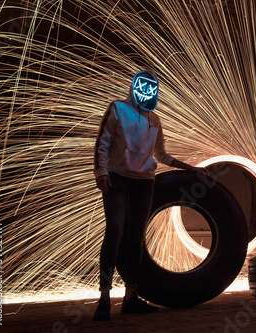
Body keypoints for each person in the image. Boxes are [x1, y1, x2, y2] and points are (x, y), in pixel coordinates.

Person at [93, 70, 207, 320]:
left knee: (135, 237)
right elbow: (103, 142)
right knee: (114, 231)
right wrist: (101, 170)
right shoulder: (117, 108)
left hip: (144, 183)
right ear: (135, 88)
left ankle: (130, 297)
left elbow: (161, 155)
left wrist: (190, 168)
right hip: (117, 179)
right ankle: (104, 297)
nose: (147, 94)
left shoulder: (154, 120)